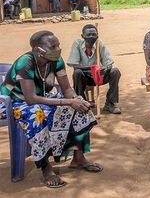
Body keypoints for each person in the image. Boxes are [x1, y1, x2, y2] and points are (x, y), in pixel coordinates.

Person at [0, 31, 101, 188]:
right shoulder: (25, 63)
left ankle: (78, 158)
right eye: (53, 46)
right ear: (39, 49)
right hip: (15, 102)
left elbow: (67, 89)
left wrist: (76, 100)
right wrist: (67, 101)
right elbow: (30, 98)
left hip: (43, 98)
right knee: (37, 115)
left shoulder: (56, 60)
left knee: (78, 108)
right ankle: (46, 168)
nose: (58, 49)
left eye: (58, 45)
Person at [67, 24, 122, 114]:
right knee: (77, 73)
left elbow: (109, 63)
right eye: (88, 35)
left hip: (99, 76)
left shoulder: (99, 43)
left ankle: (110, 104)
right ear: (82, 36)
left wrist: (105, 69)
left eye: (93, 35)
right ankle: (82, 105)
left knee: (115, 71)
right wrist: (92, 69)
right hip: (85, 77)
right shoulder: (77, 44)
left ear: (97, 35)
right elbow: (75, 65)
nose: (91, 37)